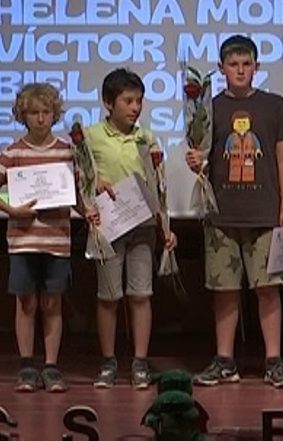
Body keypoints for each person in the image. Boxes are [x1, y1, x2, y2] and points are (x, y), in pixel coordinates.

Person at [184, 34, 283, 388]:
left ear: (256, 67)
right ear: (221, 68)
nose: (240, 70)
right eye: (233, 64)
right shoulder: (208, 109)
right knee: (224, 290)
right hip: (222, 214)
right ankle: (225, 361)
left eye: (246, 64)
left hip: (265, 214)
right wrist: (196, 161)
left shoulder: (274, 105)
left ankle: (273, 361)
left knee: (268, 288)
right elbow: (203, 158)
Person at [0, 82, 76, 393]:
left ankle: (51, 366)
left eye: (46, 112)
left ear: (55, 114)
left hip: (57, 240)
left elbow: (79, 192)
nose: (41, 118)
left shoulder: (66, 151)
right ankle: (27, 366)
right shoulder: (14, 151)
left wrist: (90, 209)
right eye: (34, 113)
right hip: (22, 240)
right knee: (26, 301)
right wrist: (11, 209)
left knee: (52, 302)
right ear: (23, 115)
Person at [85, 68, 178, 390]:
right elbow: (80, 178)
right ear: (108, 102)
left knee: (141, 294)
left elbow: (158, 186)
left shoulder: (146, 139)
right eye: (128, 101)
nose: (135, 107)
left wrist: (166, 227)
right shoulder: (91, 137)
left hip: (143, 226)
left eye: (139, 101)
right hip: (108, 226)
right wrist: (94, 183)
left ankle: (140, 362)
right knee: (109, 296)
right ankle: (108, 361)